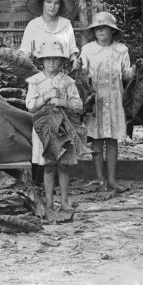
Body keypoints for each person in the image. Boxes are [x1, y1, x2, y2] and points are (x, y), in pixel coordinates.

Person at [76, 12, 135, 194]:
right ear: (93, 31)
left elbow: (126, 74)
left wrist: (134, 71)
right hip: (95, 101)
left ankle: (112, 179)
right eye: (97, 28)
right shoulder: (87, 50)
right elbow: (82, 74)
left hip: (115, 99)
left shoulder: (121, 50)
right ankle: (100, 179)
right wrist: (77, 68)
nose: (101, 31)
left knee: (112, 139)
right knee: (96, 138)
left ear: (112, 30)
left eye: (105, 28)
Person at [25, 50, 88, 214]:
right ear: (41, 62)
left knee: (63, 165)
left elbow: (79, 106)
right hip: (45, 128)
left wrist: (63, 102)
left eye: (55, 59)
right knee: (48, 166)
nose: (51, 62)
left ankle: (65, 201)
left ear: (61, 62)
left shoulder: (67, 82)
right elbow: (30, 106)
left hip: (64, 127)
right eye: (47, 59)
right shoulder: (35, 81)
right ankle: (49, 202)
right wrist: (46, 96)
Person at [17, 0, 79, 67]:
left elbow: (72, 50)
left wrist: (75, 62)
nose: (52, 6)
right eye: (48, 2)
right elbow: (25, 50)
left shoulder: (66, 24)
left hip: (63, 69)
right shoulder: (33, 25)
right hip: (38, 69)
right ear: (42, 3)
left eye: (56, 3)